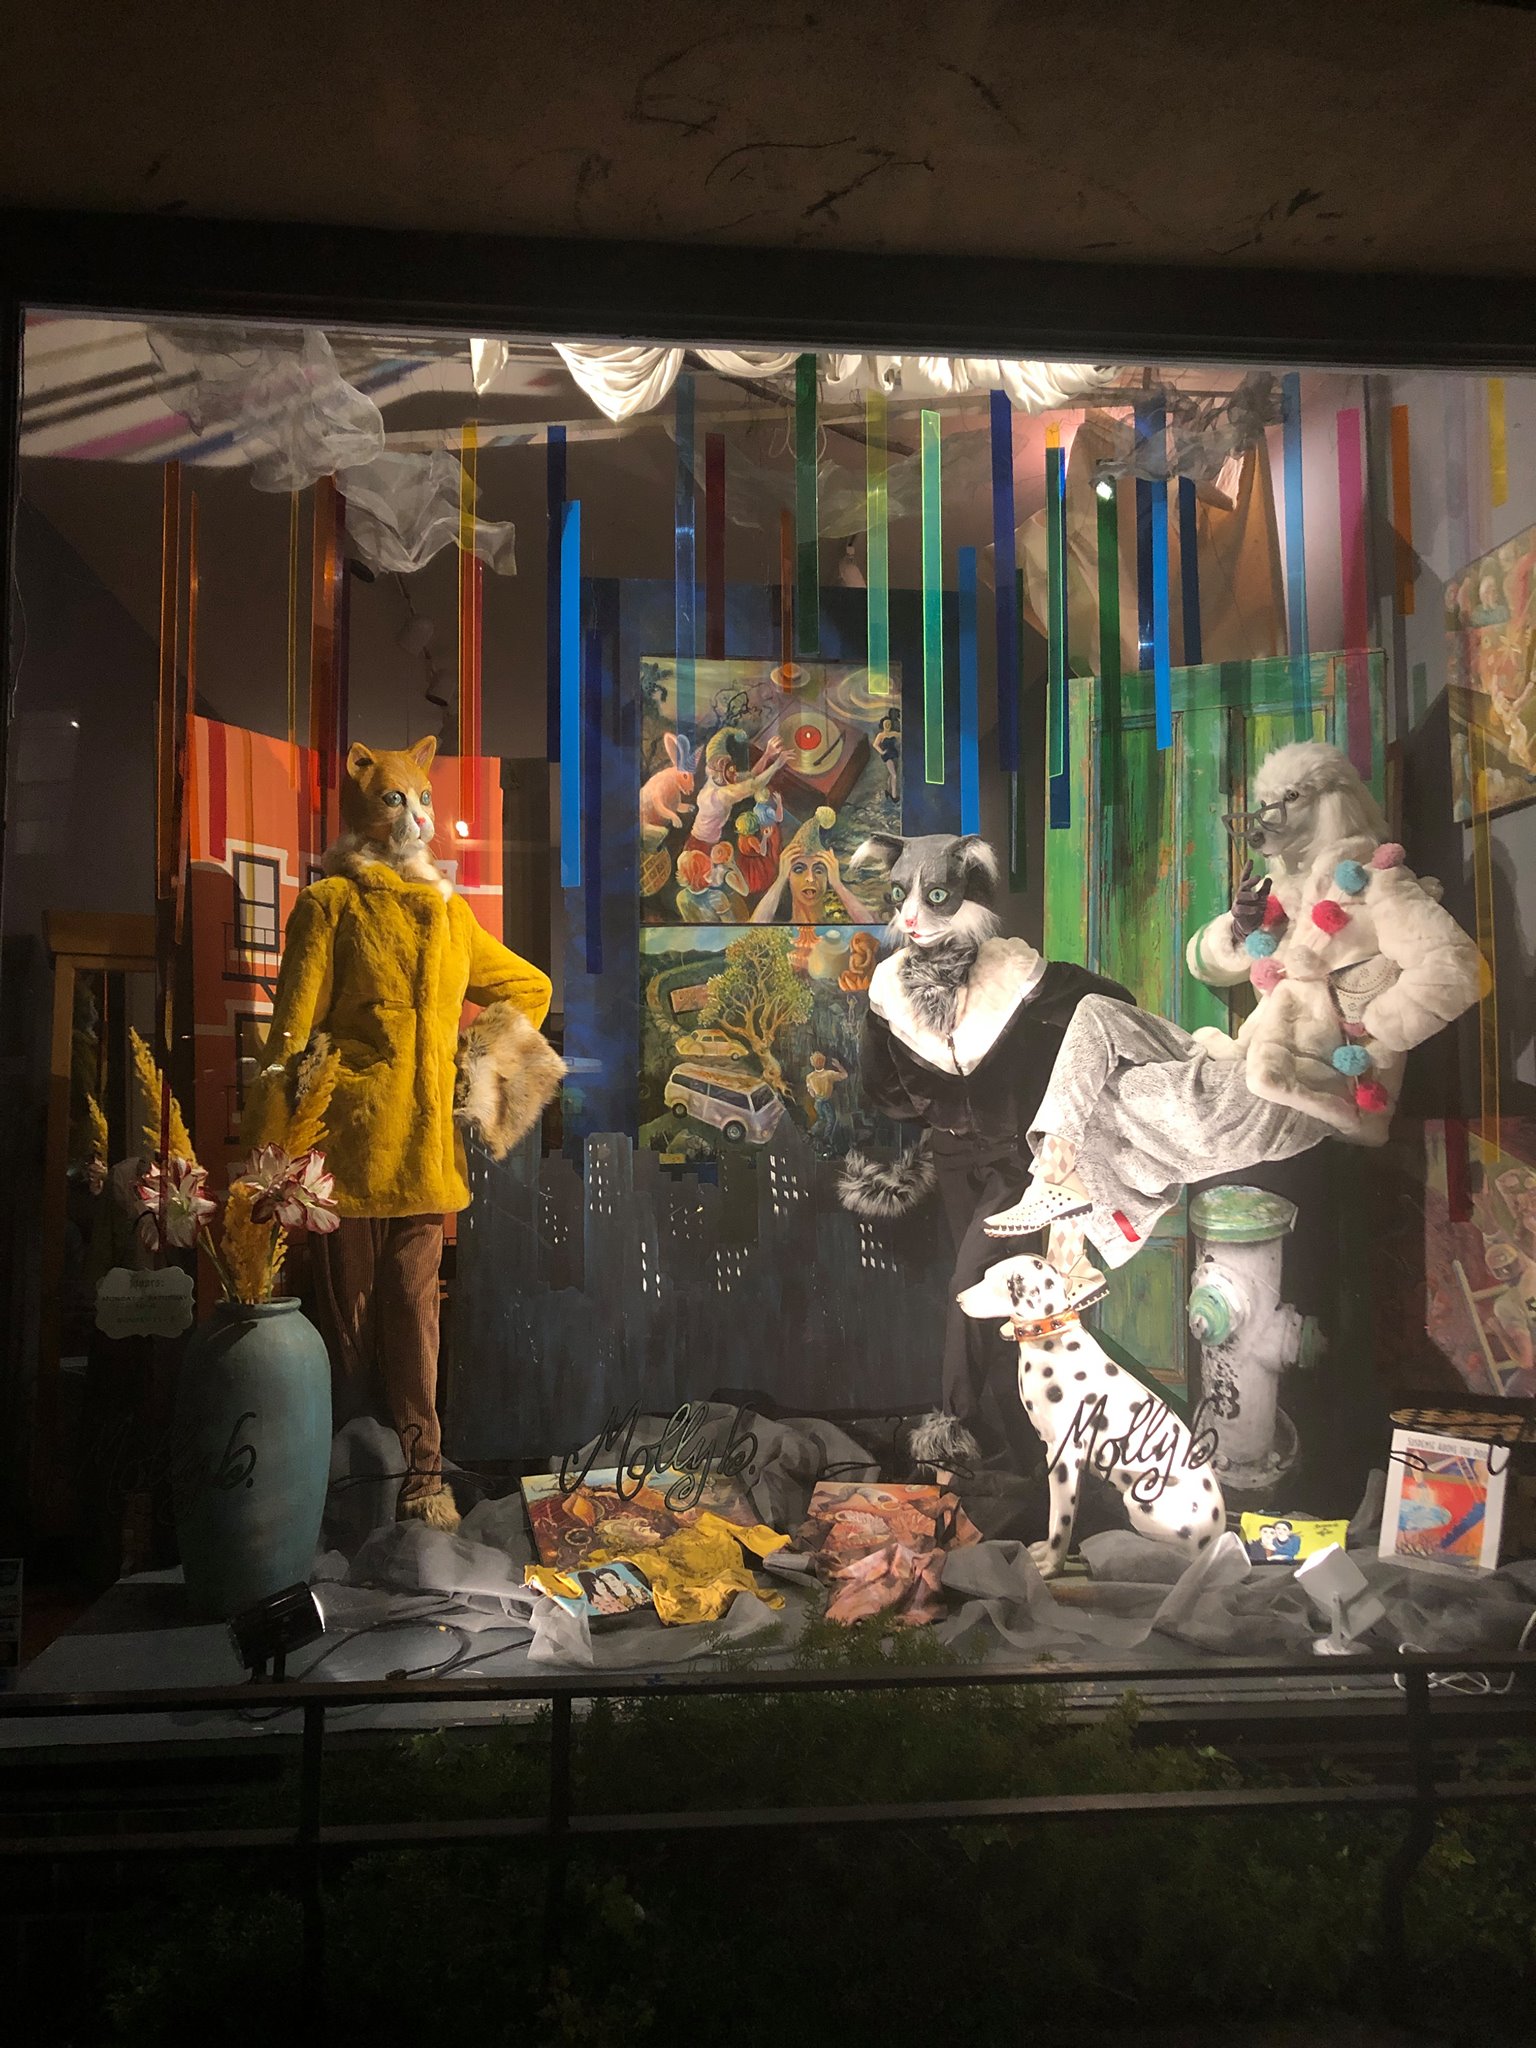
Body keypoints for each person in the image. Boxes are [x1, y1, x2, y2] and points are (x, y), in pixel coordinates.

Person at [983, 742, 1486, 1294]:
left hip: (1305, 1088)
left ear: (1330, 802)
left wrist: (1371, 1024)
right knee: (1095, 1016)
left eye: (1288, 799)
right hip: (1243, 1063)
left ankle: (1088, 1228)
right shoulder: (1289, 895)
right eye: (1267, 801)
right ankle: (1067, 1195)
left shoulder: (1376, 884)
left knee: (1113, 1094)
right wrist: (1239, 929)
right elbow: (1204, 964)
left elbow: (1458, 971)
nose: (1270, 816)